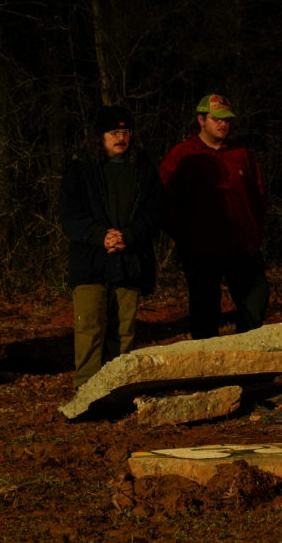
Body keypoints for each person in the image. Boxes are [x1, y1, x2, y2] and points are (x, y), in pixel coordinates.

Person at [59, 105, 162, 387]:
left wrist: (128, 235)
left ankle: (118, 387)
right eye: (114, 132)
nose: (121, 137)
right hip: (90, 259)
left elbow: (154, 212)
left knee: (124, 329)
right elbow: (70, 216)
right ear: (100, 136)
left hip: (129, 258)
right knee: (89, 327)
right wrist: (99, 235)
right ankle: (87, 391)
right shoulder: (80, 168)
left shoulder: (143, 168)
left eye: (125, 132)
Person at [159, 94, 269, 339]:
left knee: (255, 301)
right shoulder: (182, 155)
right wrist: (184, 236)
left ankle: (248, 361)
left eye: (227, 120)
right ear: (201, 119)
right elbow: (163, 200)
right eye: (216, 119)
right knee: (205, 313)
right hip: (201, 250)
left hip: (242, 247)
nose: (223, 124)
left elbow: (260, 193)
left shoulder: (241, 153)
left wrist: (254, 230)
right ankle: (208, 372)